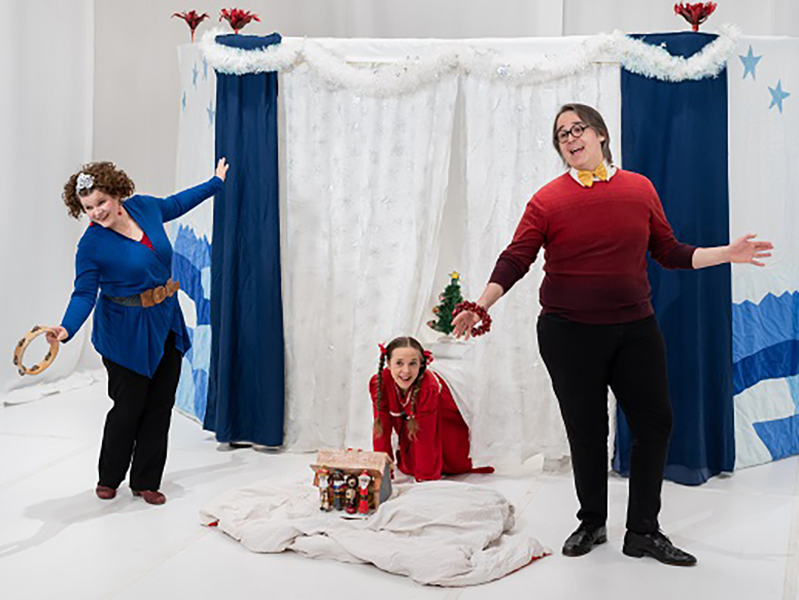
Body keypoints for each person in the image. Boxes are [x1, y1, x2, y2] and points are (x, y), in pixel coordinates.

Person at [453, 103, 773, 567]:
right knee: (586, 430)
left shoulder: (639, 189)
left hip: (635, 328)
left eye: (577, 128)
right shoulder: (547, 200)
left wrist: (727, 253)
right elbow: (516, 257)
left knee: (655, 423)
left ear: (601, 134)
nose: (570, 138)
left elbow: (669, 251)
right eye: (561, 134)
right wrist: (480, 304)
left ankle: (643, 531)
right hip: (568, 333)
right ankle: (592, 522)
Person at [47, 158, 230, 505]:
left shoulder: (145, 207)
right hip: (123, 331)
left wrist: (214, 183)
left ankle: (146, 480)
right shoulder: (91, 245)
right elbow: (84, 293)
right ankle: (110, 476)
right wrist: (66, 328)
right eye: (88, 208)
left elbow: (177, 203)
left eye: (101, 202)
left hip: (165, 321)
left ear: (116, 193)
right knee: (128, 407)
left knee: (160, 404)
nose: (96, 212)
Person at [370, 336, 493, 482]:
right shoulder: (379, 383)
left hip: (446, 420)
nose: (406, 371)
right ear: (388, 364)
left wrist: (426, 478)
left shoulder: (428, 388)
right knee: (408, 465)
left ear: (421, 364)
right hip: (417, 422)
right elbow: (381, 429)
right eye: (399, 363)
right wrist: (381, 474)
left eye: (412, 363)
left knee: (449, 462)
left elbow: (426, 437)